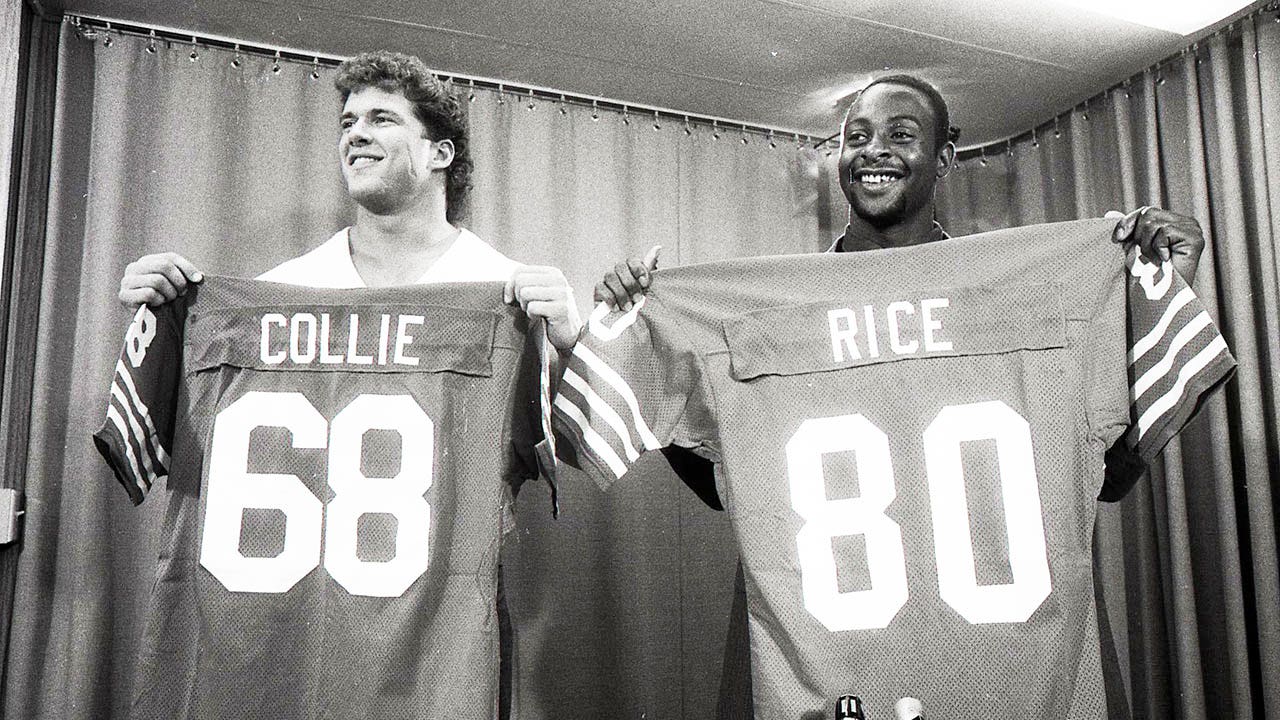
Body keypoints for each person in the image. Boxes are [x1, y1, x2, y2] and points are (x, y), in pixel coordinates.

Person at [562, 74, 1234, 719]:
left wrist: (1169, 293)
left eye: (900, 134)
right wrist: (644, 333)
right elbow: (721, 481)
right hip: (833, 681)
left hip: (1012, 675)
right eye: (856, 136)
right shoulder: (760, 311)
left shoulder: (1029, 289)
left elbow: (1109, 473)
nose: (874, 150)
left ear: (943, 159)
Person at [99, 51, 579, 720]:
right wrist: (167, 317)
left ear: (440, 152)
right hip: (272, 653)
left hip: (426, 662)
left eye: (383, 119)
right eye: (348, 121)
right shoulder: (281, 291)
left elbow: (576, 446)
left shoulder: (507, 296)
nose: (356, 132)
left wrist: (564, 344)